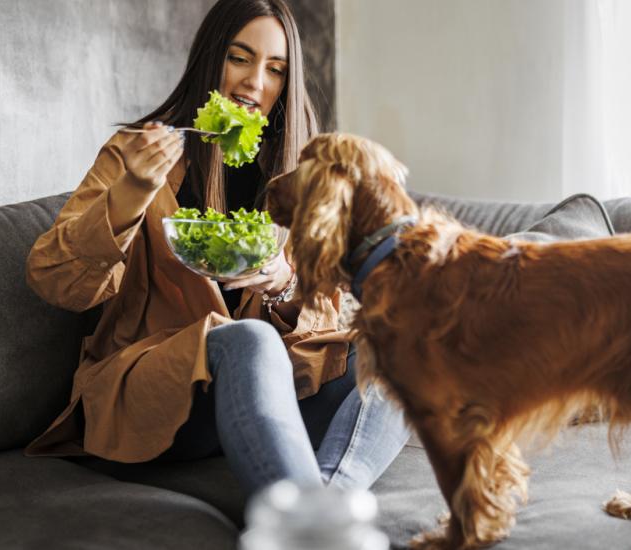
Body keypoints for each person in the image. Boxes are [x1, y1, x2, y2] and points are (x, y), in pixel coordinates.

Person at [24, 0, 410, 496]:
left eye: (275, 69)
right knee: (249, 339)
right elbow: (55, 280)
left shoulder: (298, 172)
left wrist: (284, 280)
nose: (254, 82)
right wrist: (132, 192)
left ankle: (326, 506)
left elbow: (331, 309)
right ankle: (308, 517)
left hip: (267, 399)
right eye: (239, 58)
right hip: (162, 398)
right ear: (211, 59)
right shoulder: (134, 155)